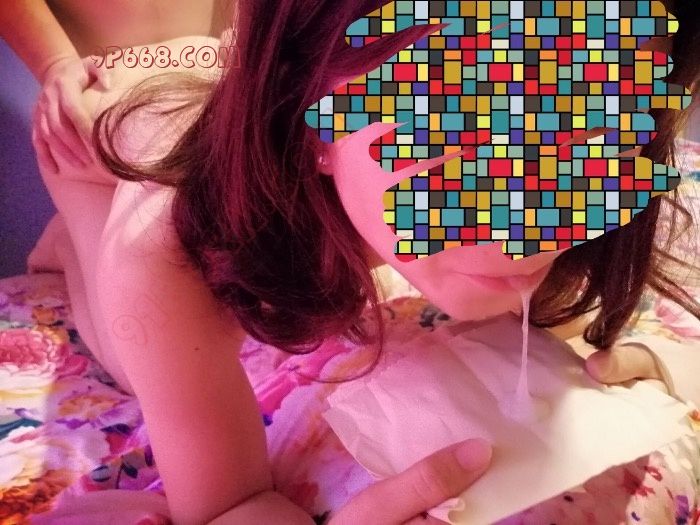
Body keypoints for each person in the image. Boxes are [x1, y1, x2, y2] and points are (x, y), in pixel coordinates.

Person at [22, 0, 700, 524]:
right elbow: (230, 502)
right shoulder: (160, 240)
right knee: (127, 334)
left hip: (209, 90)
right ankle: (65, 242)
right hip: (117, 147)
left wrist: (678, 363)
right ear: (308, 118)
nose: (530, 233)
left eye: (605, 133)